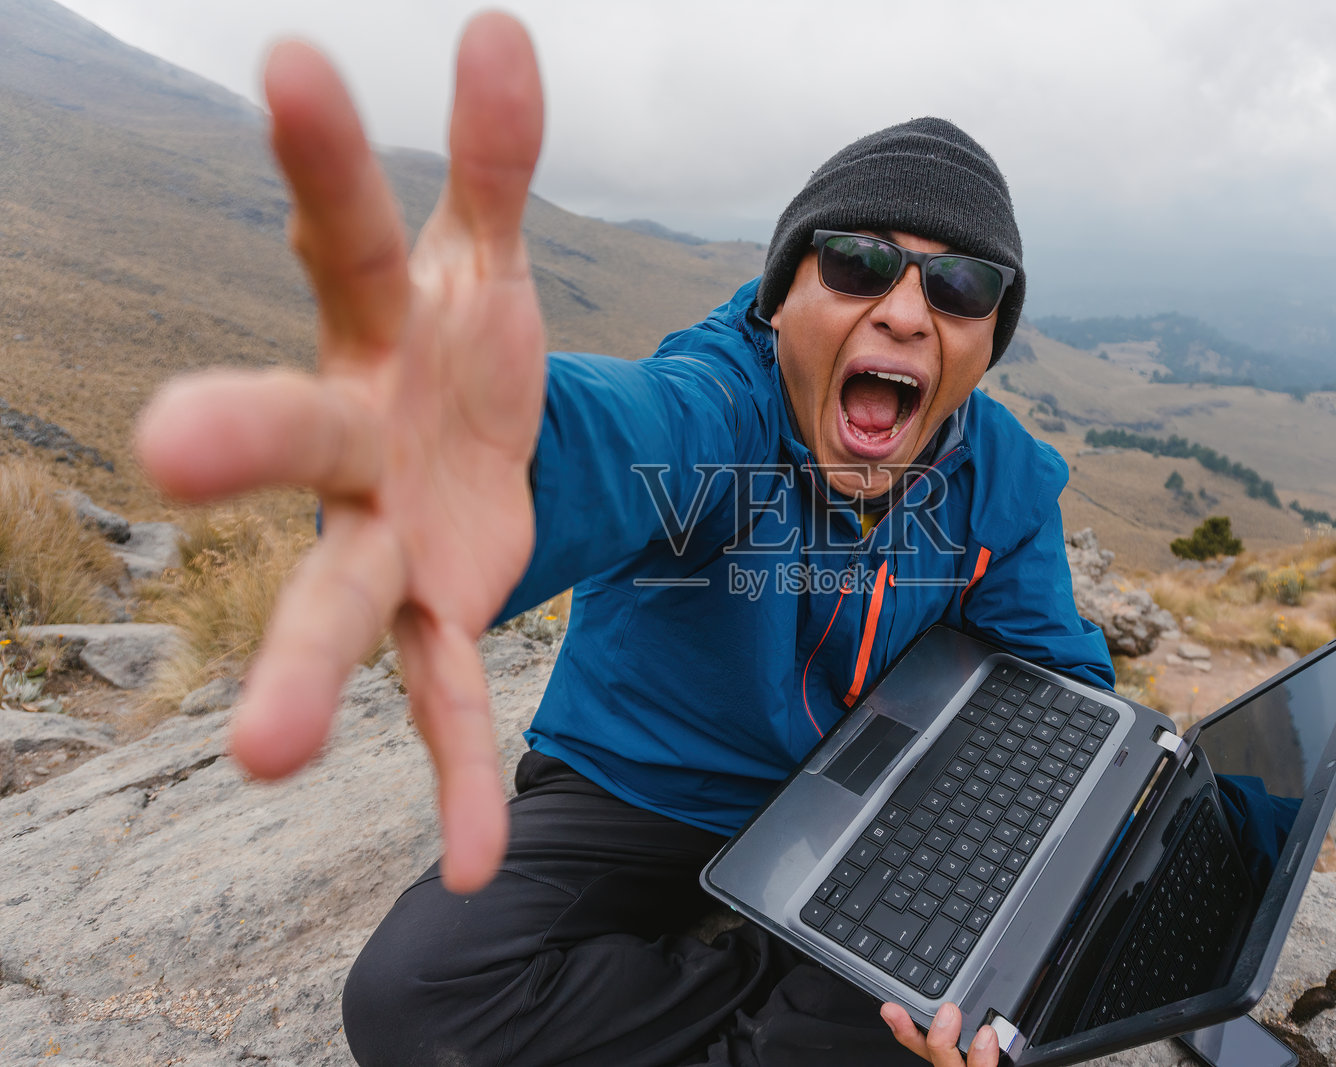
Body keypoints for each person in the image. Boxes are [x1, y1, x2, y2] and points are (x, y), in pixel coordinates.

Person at [135, 14, 1113, 1066]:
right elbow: (622, 429)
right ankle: (785, 986)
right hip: (647, 785)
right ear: (783, 297)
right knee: (415, 996)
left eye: (961, 285)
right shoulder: (720, 403)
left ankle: (809, 979)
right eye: (858, 263)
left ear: (986, 339)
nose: (908, 312)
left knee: (975, 1003)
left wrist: (1040, 874)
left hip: (863, 813)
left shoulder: (1002, 472)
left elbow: (1054, 673)